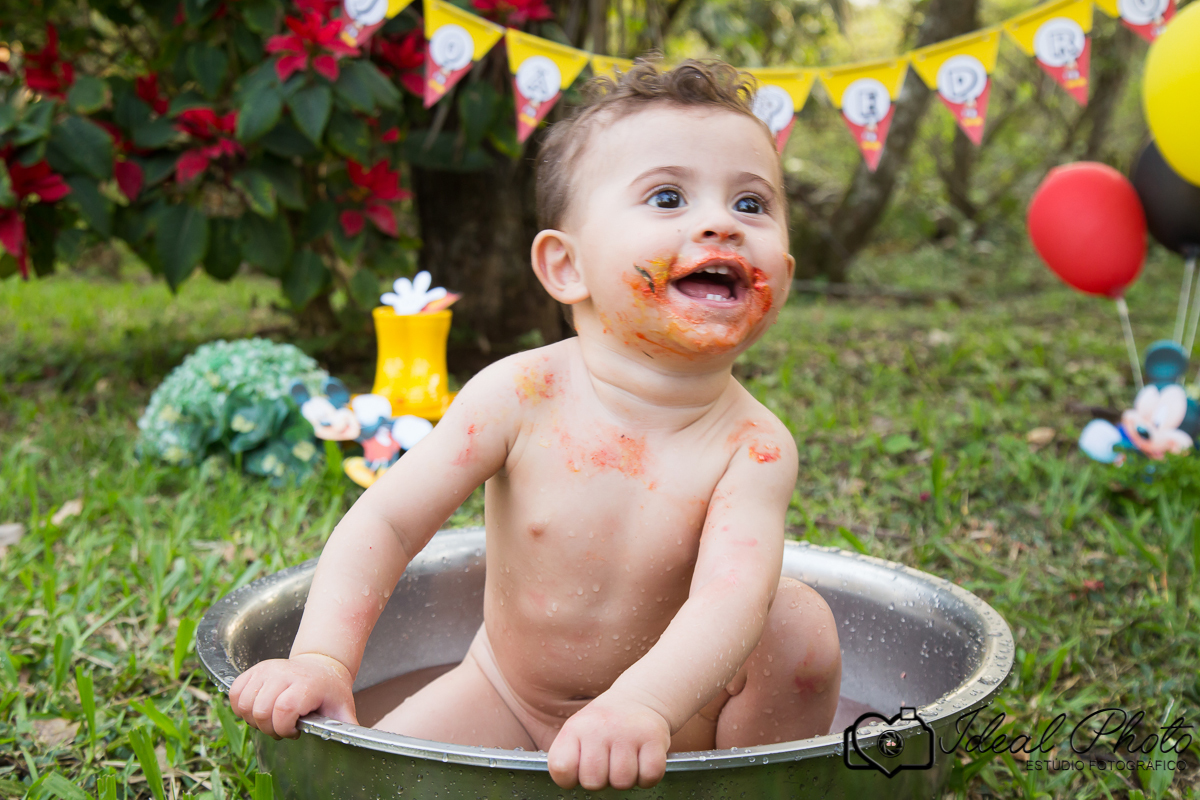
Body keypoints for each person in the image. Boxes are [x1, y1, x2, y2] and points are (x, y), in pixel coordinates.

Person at [230, 58, 843, 792]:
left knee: (797, 625)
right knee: (365, 787)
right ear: (565, 267)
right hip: (506, 699)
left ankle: (753, 787)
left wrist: (641, 706)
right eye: (668, 196)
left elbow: (730, 596)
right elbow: (388, 522)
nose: (722, 224)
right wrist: (322, 658)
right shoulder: (519, 394)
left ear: (785, 272)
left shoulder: (755, 447)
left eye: (752, 203)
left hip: (679, 726)